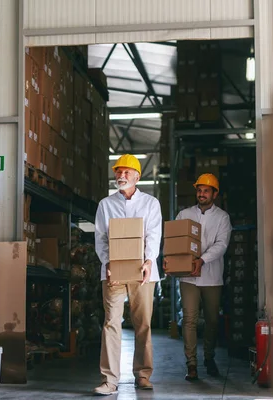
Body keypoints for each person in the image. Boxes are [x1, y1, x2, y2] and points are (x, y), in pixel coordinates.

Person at [93, 154, 163, 396]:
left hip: (143, 273)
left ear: (137, 176)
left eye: (126, 172)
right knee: (111, 322)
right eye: (118, 172)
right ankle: (109, 380)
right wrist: (107, 262)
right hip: (113, 272)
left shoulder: (151, 204)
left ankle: (143, 375)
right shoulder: (106, 204)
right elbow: (101, 238)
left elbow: (154, 234)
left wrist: (148, 260)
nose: (120, 176)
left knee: (142, 323)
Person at [164, 173, 231, 381]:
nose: (201, 194)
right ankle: (191, 364)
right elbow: (173, 238)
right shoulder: (184, 214)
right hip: (188, 278)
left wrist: (202, 260)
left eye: (206, 191)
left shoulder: (222, 218)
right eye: (199, 190)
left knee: (212, 321)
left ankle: (209, 357)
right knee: (189, 320)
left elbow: (221, 245)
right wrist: (168, 257)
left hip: (211, 277)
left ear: (214, 194)